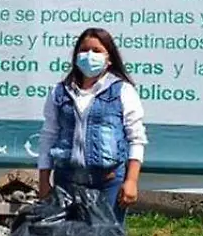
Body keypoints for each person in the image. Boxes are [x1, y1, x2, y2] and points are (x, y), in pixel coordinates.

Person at [37, 27, 147, 225]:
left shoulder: (122, 90)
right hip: (66, 182)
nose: (89, 55)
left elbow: (136, 137)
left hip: (108, 182)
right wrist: (44, 179)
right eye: (84, 50)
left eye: (97, 51)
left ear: (109, 58)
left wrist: (131, 181)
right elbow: (48, 136)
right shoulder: (59, 92)